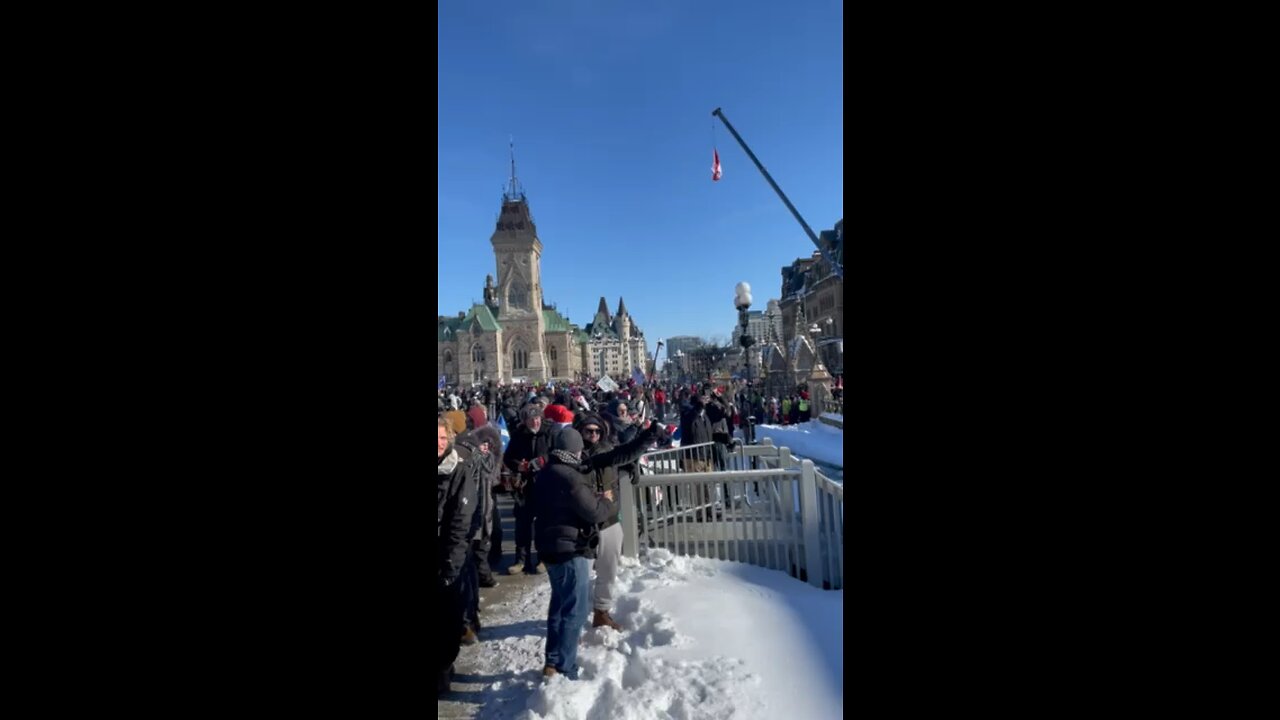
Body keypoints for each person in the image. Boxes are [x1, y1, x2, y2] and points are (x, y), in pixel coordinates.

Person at [531, 428, 618, 680]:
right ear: (575, 451)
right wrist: (607, 500)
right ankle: (566, 667)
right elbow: (594, 513)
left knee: (559, 605)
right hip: (571, 549)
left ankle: (553, 660)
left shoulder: (546, 472)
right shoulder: (571, 477)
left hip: (550, 547)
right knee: (576, 610)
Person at [575, 413, 660, 630]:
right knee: (580, 574)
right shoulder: (574, 454)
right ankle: (573, 616)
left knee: (608, 569)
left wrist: (632, 464)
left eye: (596, 431)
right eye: (588, 431)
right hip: (582, 522)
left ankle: (601, 611)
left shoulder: (607, 450)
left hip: (609, 518)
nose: (593, 435)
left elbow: (623, 455)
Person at [437, 418, 480, 695]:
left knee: (447, 617)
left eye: (442, 437)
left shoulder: (458, 470)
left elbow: (461, 522)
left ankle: (443, 666)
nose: (439, 443)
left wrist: (452, 562)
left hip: (447, 554)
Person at [503, 403, 552, 574]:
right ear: (525, 421)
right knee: (523, 523)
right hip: (524, 486)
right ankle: (521, 560)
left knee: (543, 523)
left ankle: (543, 558)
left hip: (545, 484)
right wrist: (519, 466)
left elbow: (557, 452)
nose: (535, 422)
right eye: (532, 420)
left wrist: (544, 460)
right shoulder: (518, 435)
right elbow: (508, 458)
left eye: (537, 418)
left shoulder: (549, 432)